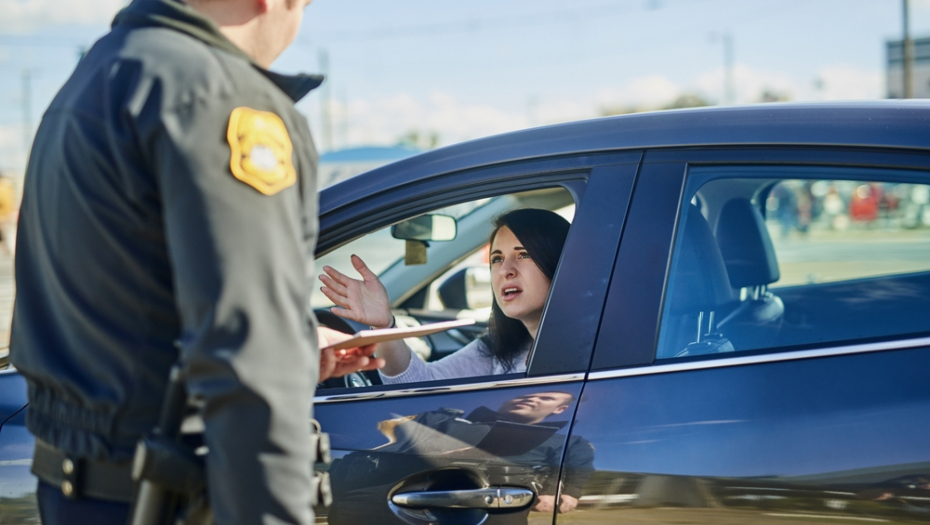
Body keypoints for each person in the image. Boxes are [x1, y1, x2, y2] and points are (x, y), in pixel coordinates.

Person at [9, 1, 382, 524]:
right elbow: (247, 360)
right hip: (166, 500)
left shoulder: (100, 74)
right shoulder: (221, 97)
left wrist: (293, 346)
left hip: (78, 492)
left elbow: (129, 314)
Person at [320, 208, 570, 384]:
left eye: (523, 254)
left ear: (557, 260)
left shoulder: (595, 353)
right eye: (496, 259)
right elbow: (419, 386)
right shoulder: (498, 349)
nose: (505, 270)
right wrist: (384, 325)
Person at [327, 390, 594, 524]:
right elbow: (388, 443)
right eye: (528, 393)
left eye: (545, 398)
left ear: (559, 409)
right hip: (386, 492)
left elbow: (571, 474)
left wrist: (562, 491)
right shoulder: (445, 416)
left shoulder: (565, 441)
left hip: (486, 502)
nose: (533, 398)